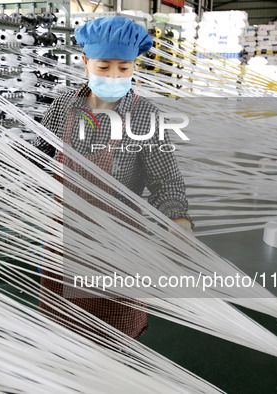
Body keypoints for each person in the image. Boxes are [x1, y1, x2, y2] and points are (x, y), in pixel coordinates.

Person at [35, 16, 192, 342]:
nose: (114, 76)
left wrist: (177, 220)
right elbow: (39, 155)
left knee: (113, 333)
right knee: (62, 329)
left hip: (117, 245)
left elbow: (166, 182)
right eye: (104, 67)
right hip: (66, 240)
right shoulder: (64, 105)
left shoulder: (145, 115)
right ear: (85, 62)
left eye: (124, 68)